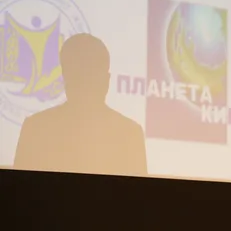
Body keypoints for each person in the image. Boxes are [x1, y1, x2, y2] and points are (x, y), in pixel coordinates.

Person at [13, 33, 147, 177]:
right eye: (80, 75)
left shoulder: (36, 127)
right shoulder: (130, 134)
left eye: (89, 75)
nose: (85, 84)